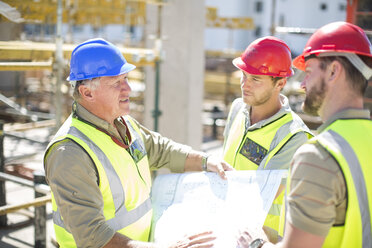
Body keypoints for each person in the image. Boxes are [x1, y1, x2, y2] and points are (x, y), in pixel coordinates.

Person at [43, 38, 233, 248]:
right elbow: (93, 237)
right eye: (117, 83)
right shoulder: (69, 152)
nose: (128, 89)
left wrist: (206, 161)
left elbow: (162, 150)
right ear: (87, 92)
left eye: (126, 79)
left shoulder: (124, 124)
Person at [238, 21, 372, 248]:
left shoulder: (318, 156)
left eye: (308, 72)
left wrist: (256, 242)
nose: (303, 84)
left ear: (333, 71)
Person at [222, 36, 312, 242]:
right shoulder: (237, 108)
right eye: (244, 75)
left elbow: (262, 194)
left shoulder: (293, 136)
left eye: (255, 79)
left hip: (260, 239)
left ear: (280, 83)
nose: (245, 85)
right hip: (226, 228)